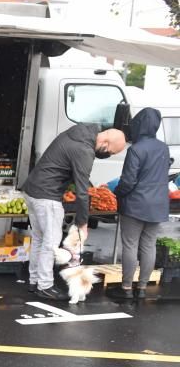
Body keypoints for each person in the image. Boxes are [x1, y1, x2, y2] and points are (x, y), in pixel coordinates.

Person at [23, 124, 127, 301]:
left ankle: (35, 281)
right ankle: (45, 286)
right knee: (51, 243)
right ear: (106, 141)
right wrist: (82, 223)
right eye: (111, 151)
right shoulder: (84, 150)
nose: (108, 155)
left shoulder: (79, 131)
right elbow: (82, 191)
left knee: (40, 239)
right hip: (47, 196)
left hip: (32, 191)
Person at [108, 108, 171, 300]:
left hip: (135, 205)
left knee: (130, 245)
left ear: (138, 124)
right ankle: (142, 288)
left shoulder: (135, 149)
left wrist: (116, 194)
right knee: (148, 246)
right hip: (158, 205)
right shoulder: (163, 147)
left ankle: (126, 287)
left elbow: (128, 181)